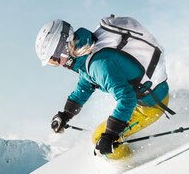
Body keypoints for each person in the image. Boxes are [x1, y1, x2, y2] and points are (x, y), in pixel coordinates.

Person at [35, 16, 173, 159]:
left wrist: (110, 135)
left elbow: (127, 98)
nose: (58, 64)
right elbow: (84, 86)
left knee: (98, 138)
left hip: (152, 105)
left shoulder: (99, 64)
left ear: (62, 48)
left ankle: (136, 167)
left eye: (54, 59)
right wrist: (65, 115)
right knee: (103, 135)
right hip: (149, 96)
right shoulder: (87, 52)